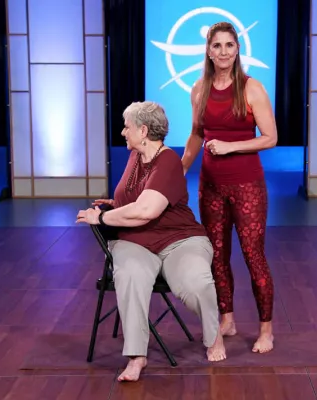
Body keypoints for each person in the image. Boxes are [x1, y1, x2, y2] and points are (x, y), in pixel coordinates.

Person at [76, 101, 226, 382]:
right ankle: (136, 356)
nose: (123, 132)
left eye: (127, 126)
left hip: (179, 239)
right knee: (130, 275)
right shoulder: (136, 154)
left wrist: (102, 219)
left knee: (197, 284)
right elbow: (133, 198)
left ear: (143, 130)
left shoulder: (167, 161)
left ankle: (213, 334)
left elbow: (146, 210)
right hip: (134, 241)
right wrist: (114, 205)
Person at [181, 22, 278, 354]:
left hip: (247, 185)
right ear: (208, 51)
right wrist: (180, 168)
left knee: (253, 256)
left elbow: (271, 137)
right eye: (217, 45)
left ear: (238, 49)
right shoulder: (199, 89)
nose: (223, 51)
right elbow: (197, 134)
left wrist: (230, 146)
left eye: (229, 45)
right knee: (216, 258)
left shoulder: (252, 88)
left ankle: (266, 330)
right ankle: (228, 318)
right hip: (210, 186)